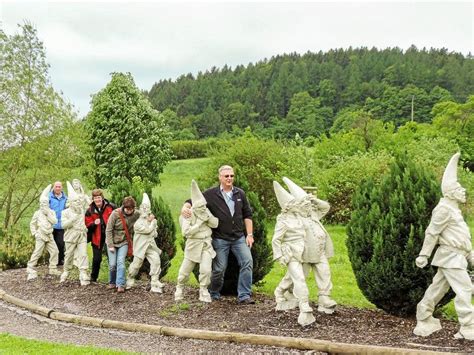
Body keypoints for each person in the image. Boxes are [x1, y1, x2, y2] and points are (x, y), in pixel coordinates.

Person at [414, 153, 473, 341]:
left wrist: (470, 254)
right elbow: (432, 233)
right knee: (464, 290)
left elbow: (460, 236)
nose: (463, 190)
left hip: (456, 256)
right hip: (450, 256)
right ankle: (468, 326)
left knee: (437, 288)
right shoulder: (443, 210)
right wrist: (424, 255)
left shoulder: (453, 210)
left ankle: (423, 315)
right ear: (449, 192)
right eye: (458, 188)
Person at [181, 165, 254, 304]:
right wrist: (185, 207)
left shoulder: (240, 193)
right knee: (219, 269)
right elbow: (193, 200)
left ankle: (244, 295)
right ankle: (213, 292)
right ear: (220, 177)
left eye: (232, 176)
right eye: (226, 176)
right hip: (220, 239)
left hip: (239, 238)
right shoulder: (211, 194)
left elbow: (247, 215)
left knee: (247, 262)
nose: (229, 178)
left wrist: (249, 234)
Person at [272, 180, 315, 326]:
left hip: (302, 251)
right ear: (288, 207)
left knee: (291, 276)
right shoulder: (283, 221)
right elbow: (276, 240)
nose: (298, 205)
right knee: (299, 279)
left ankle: (279, 291)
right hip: (290, 253)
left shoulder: (300, 217)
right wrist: (279, 256)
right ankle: (304, 305)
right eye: (295, 204)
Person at [175, 180, 218, 303]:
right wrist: (199, 224)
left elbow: (215, 224)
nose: (203, 208)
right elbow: (185, 232)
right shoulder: (188, 214)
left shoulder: (205, 211)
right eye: (200, 207)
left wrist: (208, 217)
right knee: (185, 271)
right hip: (193, 244)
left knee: (206, 269)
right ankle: (180, 287)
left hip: (206, 244)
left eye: (204, 206)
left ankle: (203, 289)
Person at [126, 193, 164, 293]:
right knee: (136, 265)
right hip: (141, 247)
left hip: (150, 246)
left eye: (147, 208)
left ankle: (155, 282)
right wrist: (153, 223)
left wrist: (154, 227)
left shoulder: (149, 220)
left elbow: (154, 234)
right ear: (140, 209)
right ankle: (130, 278)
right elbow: (147, 230)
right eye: (143, 208)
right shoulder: (138, 223)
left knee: (156, 261)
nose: (145, 210)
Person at [26, 184, 61, 281]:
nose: (43, 206)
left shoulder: (51, 212)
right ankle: (30, 267)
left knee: (55, 251)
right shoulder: (37, 213)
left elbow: (55, 222)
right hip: (40, 235)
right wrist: (35, 233)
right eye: (41, 204)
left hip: (49, 235)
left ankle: (53, 268)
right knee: (38, 252)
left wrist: (48, 214)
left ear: (48, 204)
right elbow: (32, 224)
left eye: (45, 204)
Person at [106, 196, 140, 293]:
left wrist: (150, 217)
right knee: (112, 264)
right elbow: (108, 230)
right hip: (112, 241)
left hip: (124, 241)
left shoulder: (136, 213)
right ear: (123, 207)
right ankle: (112, 282)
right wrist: (110, 245)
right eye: (127, 209)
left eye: (131, 209)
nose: (129, 211)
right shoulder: (115, 214)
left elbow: (145, 215)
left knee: (120, 262)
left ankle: (120, 284)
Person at [59, 181, 90, 286]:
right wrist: (72, 219)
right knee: (69, 254)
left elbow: (88, 204)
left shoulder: (81, 210)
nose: (78, 202)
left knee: (83, 254)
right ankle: (66, 270)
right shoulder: (65, 212)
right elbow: (63, 225)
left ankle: (83, 271)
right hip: (70, 236)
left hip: (81, 235)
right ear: (71, 202)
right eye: (75, 201)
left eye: (78, 201)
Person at [84, 189, 115, 282]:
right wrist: (94, 223)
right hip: (96, 237)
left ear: (102, 197)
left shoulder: (111, 207)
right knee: (97, 259)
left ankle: (113, 279)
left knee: (112, 258)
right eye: (95, 198)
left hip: (110, 236)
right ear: (93, 199)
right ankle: (93, 278)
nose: (97, 200)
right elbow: (87, 225)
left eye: (99, 197)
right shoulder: (90, 210)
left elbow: (118, 218)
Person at [49, 181, 67, 266]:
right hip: (51, 225)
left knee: (60, 243)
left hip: (61, 225)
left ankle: (60, 261)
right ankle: (52, 261)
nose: (58, 188)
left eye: (59, 187)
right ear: (53, 187)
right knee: (51, 244)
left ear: (62, 188)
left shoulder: (65, 198)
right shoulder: (49, 197)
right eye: (56, 186)